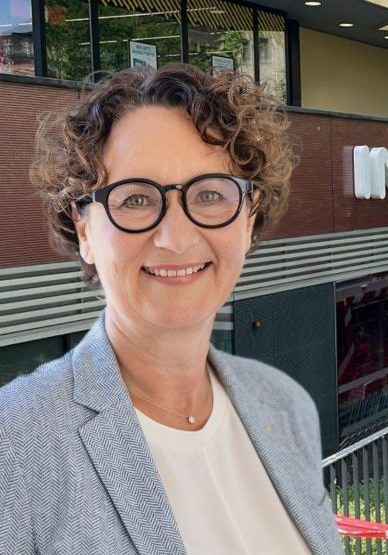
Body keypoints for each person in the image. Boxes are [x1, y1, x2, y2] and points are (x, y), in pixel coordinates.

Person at [0, 65, 342, 554]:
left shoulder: (286, 407)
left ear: (248, 219)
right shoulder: (15, 444)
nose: (177, 238)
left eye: (210, 194)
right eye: (136, 199)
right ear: (84, 230)